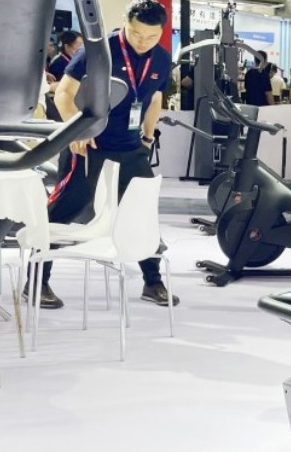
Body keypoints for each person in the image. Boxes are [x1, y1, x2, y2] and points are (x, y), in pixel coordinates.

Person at [30, 0, 180, 309]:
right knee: (62, 211)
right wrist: (77, 132)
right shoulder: (100, 50)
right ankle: (36, 282)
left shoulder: (162, 59)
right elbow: (64, 93)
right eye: (137, 34)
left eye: (151, 36)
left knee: (142, 212)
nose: (143, 42)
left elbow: (154, 99)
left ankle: (153, 282)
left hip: (131, 148)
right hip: (89, 147)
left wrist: (148, 137)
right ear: (125, 22)